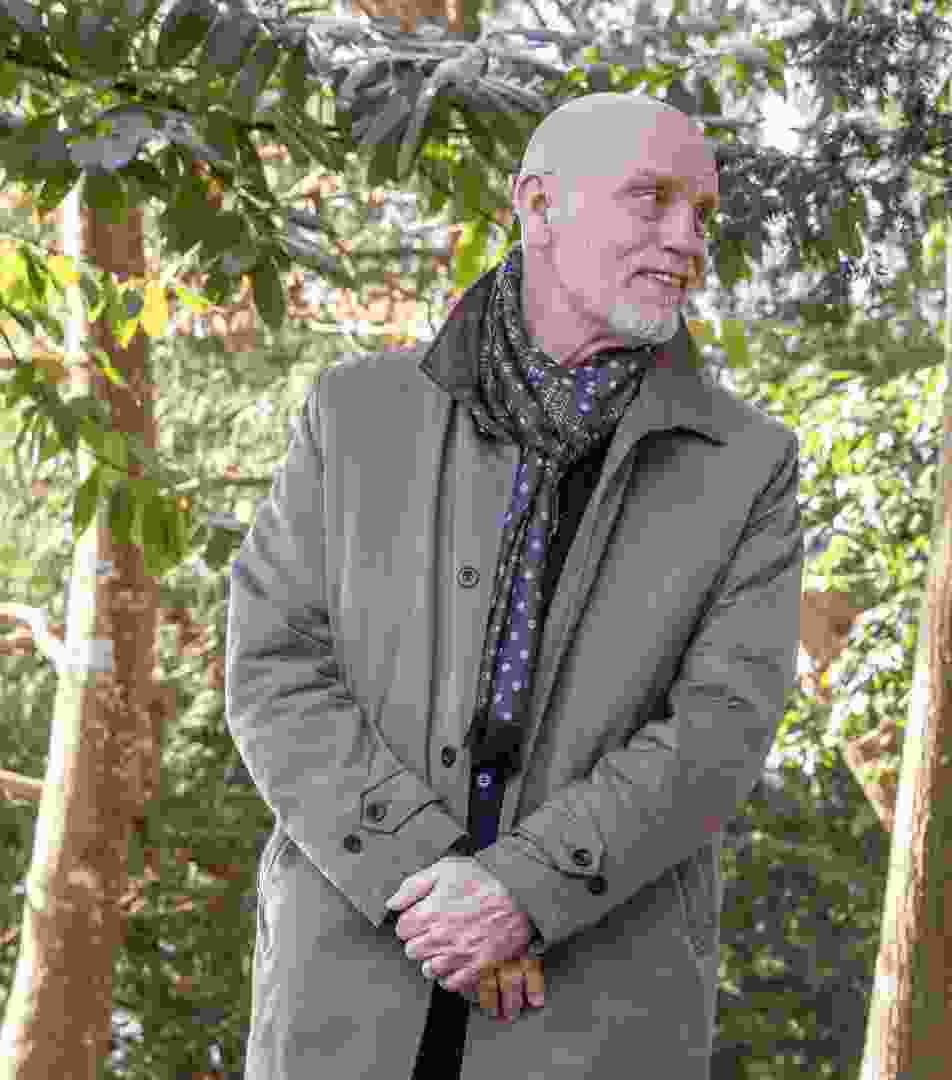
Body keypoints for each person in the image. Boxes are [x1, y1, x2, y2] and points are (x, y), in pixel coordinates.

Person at [226, 93, 803, 1079]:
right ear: (538, 205)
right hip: (347, 993)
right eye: (651, 199)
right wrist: (432, 880)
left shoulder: (748, 463)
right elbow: (274, 666)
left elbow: (723, 724)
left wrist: (523, 892)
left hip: (598, 1015)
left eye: (702, 213)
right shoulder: (355, 413)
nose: (686, 239)